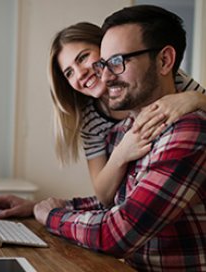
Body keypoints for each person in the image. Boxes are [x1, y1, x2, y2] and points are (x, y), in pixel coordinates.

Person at [33, 5, 206, 270]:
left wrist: (53, 216)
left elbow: (118, 230)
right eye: (105, 64)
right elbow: (113, 198)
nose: (103, 75)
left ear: (164, 61)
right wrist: (41, 207)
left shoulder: (187, 125)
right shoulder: (116, 126)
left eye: (117, 61)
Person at [0, 20, 206, 217]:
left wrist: (193, 99)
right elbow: (104, 194)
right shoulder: (92, 119)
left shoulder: (162, 77)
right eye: (68, 72)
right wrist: (122, 151)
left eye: (83, 58)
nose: (80, 73)